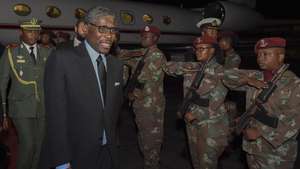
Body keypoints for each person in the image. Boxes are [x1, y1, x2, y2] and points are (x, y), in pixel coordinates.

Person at [39, 6, 123, 169]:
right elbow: (56, 116)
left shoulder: (116, 65)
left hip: (108, 152)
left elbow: (114, 111)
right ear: (85, 29)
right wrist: (62, 161)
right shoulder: (62, 59)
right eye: (102, 29)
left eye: (112, 30)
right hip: (75, 154)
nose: (109, 35)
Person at [223, 37, 300, 169]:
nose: (260, 58)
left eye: (266, 54)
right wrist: (247, 80)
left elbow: (295, 120)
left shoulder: (293, 83)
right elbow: (226, 76)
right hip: (252, 148)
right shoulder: (257, 76)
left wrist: (261, 133)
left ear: (280, 56)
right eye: (258, 55)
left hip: (276, 153)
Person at [163, 36, 229, 169]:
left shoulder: (220, 72)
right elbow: (167, 67)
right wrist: (185, 66)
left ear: (212, 51)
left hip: (210, 125)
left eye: (202, 49)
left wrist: (195, 114)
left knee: (207, 163)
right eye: (196, 49)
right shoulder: (194, 68)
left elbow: (216, 101)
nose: (198, 51)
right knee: (196, 161)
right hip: (191, 123)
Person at [0, 18, 52, 169]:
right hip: (20, 107)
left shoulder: (47, 52)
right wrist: (3, 113)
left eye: (36, 31)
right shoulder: (11, 52)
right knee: (28, 145)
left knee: (39, 147)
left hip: (42, 107)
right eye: (29, 31)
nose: (33, 34)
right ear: (21, 32)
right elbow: (2, 84)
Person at [121, 25, 166, 169]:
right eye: (142, 36)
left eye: (147, 36)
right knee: (143, 138)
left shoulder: (157, 55)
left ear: (155, 38)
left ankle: (152, 165)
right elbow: (130, 60)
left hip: (150, 105)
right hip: (142, 104)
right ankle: (150, 164)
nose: (143, 38)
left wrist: (132, 93)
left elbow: (145, 78)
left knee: (150, 140)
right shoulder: (145, 54)